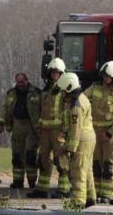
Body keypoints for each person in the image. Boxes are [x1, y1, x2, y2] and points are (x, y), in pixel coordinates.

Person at [28, 58, 70, 198]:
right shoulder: (46, 89)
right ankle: (42, 189)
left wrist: (65, 129)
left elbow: (67, 109)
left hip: (58, 130)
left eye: (57, 72)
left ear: (62, 73)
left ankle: (64, 190)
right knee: (44, 159)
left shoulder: (65, 89)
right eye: (52, 72)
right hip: (45, 131)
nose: (54, 75)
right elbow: (43, 110)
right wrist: (40, 125)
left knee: (61, 160)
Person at [83, 60, 113, 204]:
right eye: (104, 76)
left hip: (110, 135)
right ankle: (97, 192)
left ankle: (108, 194)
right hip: (94, 133)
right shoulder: (95, 87)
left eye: (107, 77)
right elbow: (83, 99)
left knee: (109, 165)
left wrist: (110, 133)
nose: (105, 79)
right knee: (95, 164)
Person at [58, 72, 96, 209]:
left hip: (81, 140)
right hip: (88, 138)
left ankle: (78, 201)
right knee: (87, 169)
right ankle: (90, 197)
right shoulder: (81, 98)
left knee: (78, 170)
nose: (62, 93)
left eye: (63, 90)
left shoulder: (76, 105)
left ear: (69, 87)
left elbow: (75, 129)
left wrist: (71, 148)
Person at [0, 72, 42, 189]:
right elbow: (5, 109)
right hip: (17, 125)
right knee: (17, 155)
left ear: (27, 81)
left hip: (31, 126)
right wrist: (1, 122)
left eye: (22, 82)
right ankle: (18, 182)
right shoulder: (11, 93)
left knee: (30, 155)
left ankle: (32, 182)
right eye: (18, 82)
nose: (20, 85)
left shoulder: (37, 93)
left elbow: (42, 109)